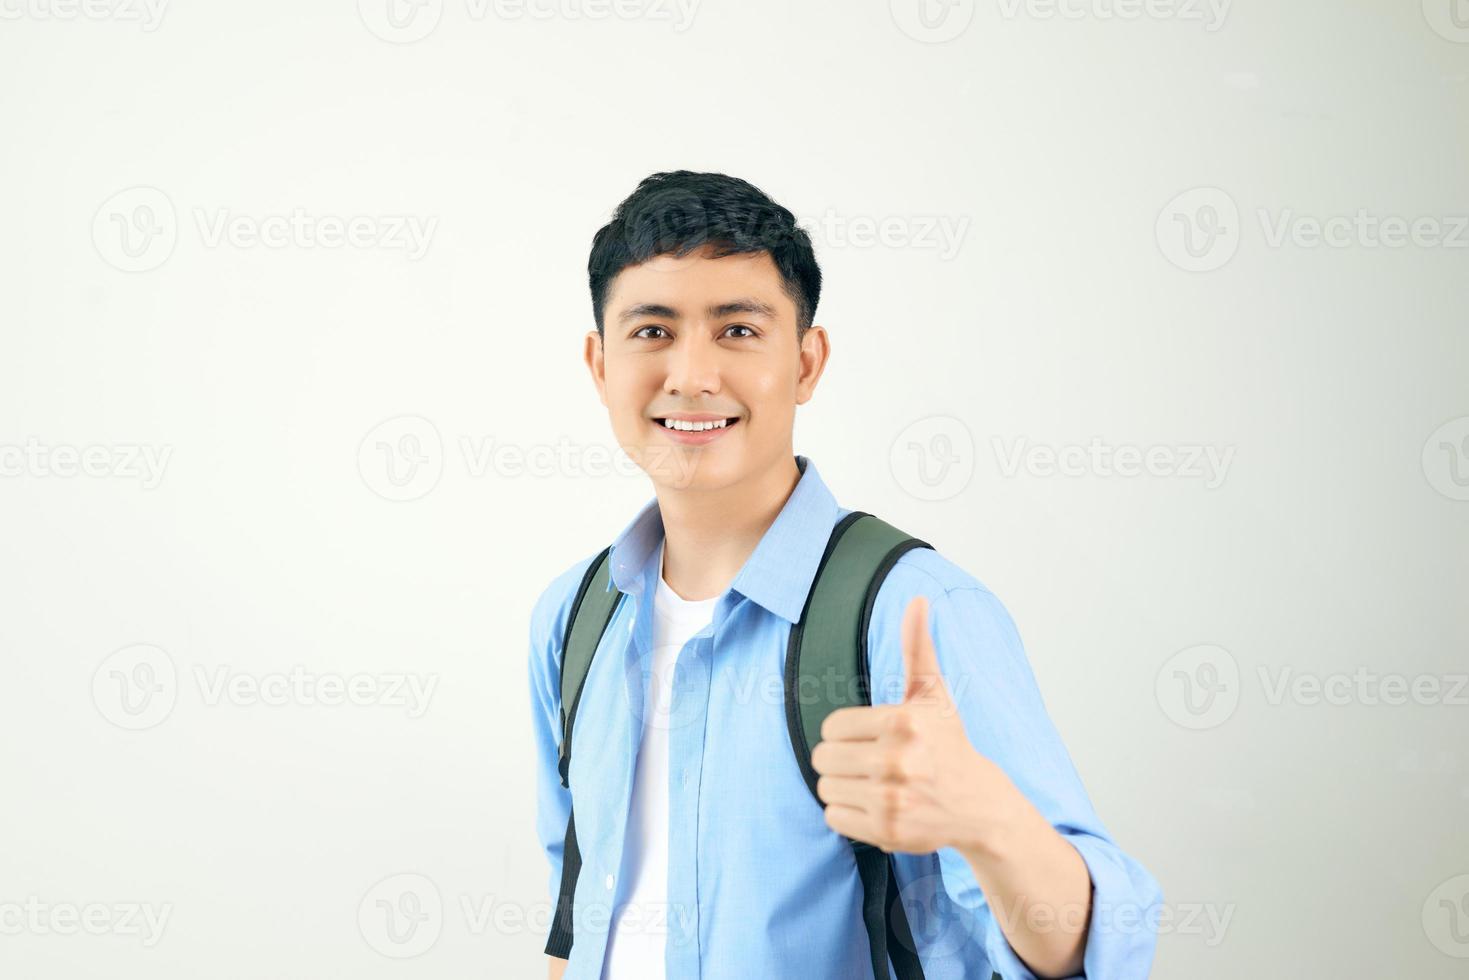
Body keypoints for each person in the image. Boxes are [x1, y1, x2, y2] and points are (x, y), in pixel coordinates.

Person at [529, 171, 1163, 979]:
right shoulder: (575, 616)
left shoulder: (912, 610)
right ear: (598, 364)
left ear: (806, 363)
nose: (690, 375)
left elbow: (1093, 950)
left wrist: (983, 815)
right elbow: (573, 920)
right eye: (652, 332)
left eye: (737, 331)